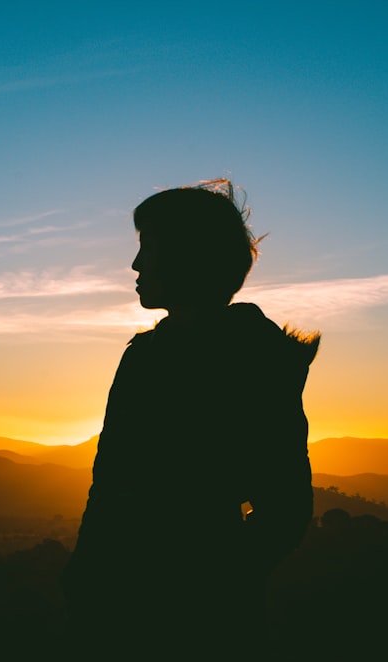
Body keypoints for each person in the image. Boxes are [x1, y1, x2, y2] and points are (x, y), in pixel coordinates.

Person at [60, 179, 319, 657]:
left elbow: (285, 510)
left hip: (199, 620)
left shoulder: (253, 364)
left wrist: (212, 581)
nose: (136, 265)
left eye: (149, 248)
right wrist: (90, 580)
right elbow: (110, 488)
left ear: (189, 257)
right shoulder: (145, 356)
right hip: (116, 607)